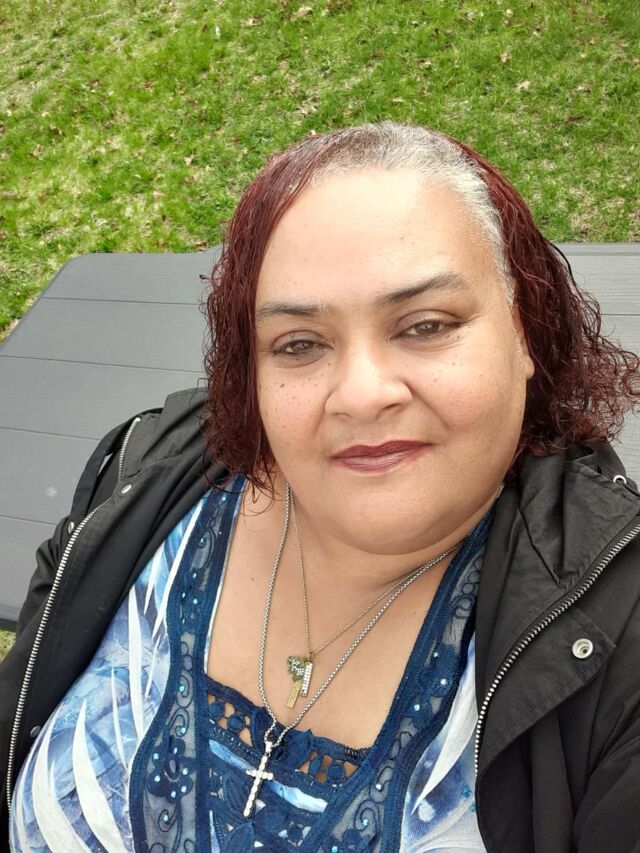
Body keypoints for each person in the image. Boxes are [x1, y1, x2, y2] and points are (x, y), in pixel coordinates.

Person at [1, 122, 639, 853]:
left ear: (524, 331)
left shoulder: (620, 644)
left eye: (426, 325)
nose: (362, 394)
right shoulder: (147, 470)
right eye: (300, 344)